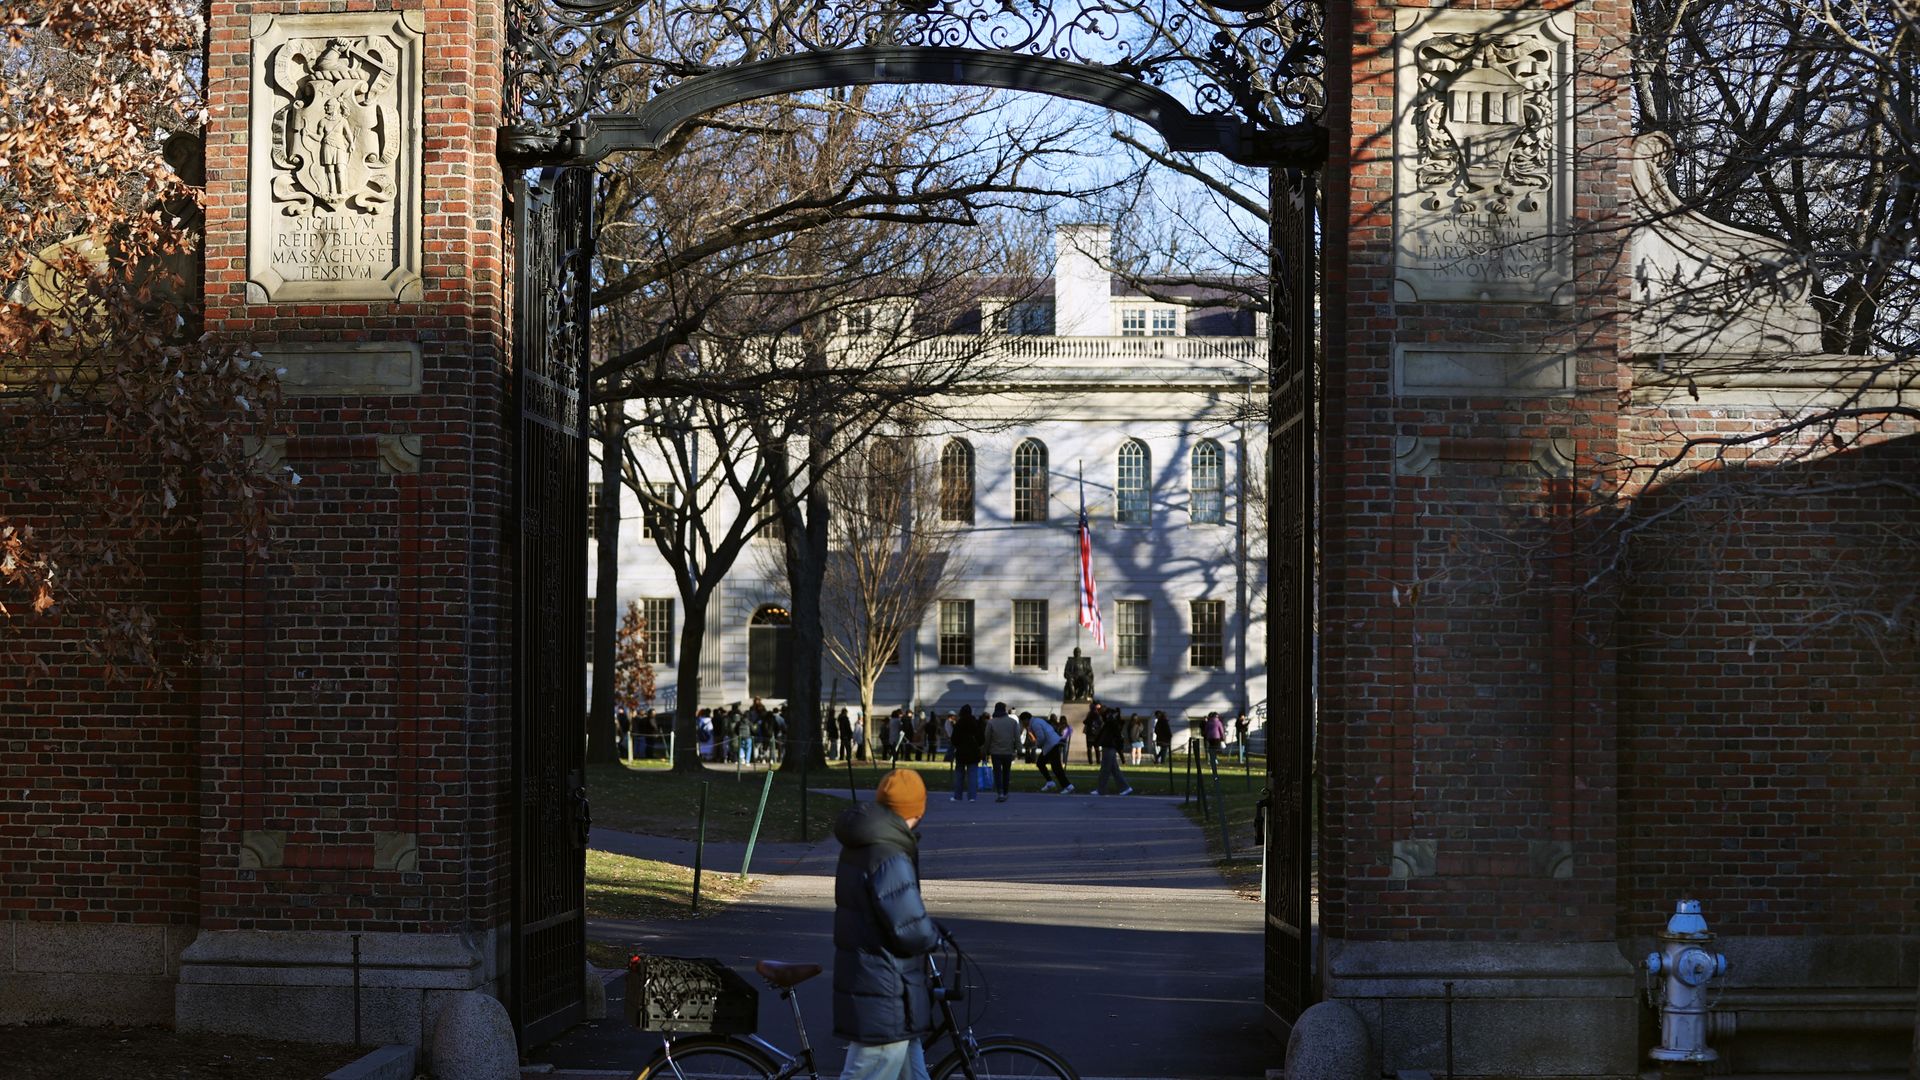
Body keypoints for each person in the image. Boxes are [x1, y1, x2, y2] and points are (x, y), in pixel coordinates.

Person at [832, 769, 943, 1080]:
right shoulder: (889, 852)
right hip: (885, 988)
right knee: (871, 1071)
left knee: (912, 1072)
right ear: (917, 810)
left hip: (878, 980)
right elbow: (908, 926)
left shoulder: (866, 841)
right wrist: (932, 936)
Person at [1024, 712, 1071, 794]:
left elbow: (1041, 737)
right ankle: (1051, 782)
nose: (1023, 723)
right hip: (1052, 744)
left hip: (1051, 745)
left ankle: (1067, 786)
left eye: (1022, 721)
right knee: (1041, 763)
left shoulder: (1035, 724)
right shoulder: (1037, 721)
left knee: (1055, 767)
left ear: (1026, 720)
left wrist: (1037, 745)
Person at [1091, 705, 1133, 796]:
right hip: (1110, 745)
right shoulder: (1110, 721)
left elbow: (1114, 734)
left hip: (1109, 745)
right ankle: (1125, 787)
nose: (1099, 711)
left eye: (1100, 710)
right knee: (1114, 769)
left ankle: (1101, 789)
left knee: (1105, 768)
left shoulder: (1111, 721)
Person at [984, 702, 1021, 803]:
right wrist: (1019, 749)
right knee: (1006, 772)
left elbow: (987, 738)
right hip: (1008, 751)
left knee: (997, 773)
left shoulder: (991, 722)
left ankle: (1000, 792)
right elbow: (1017, 737)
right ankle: (1005, 792)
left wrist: (985, 750)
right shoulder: (1012, 722)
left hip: (995, 752)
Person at [948, 704, 984, 802]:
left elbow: (954, 739)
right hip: (973, 752)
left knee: (959, 775)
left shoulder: (959, 724)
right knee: (972, 775)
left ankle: (957, 796)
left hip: (961, 752)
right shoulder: (976, 723)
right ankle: (972, 797)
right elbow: (981, 739)